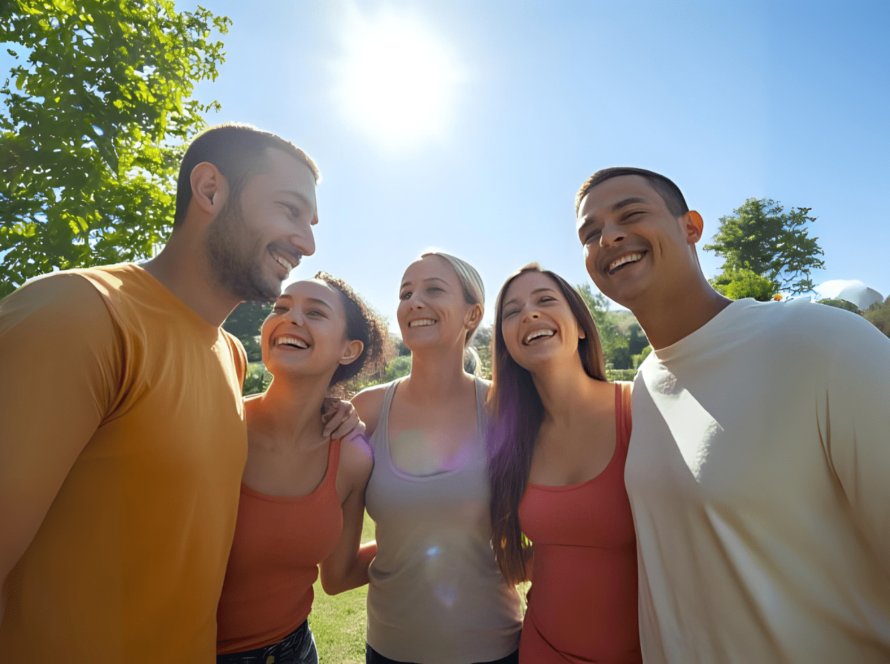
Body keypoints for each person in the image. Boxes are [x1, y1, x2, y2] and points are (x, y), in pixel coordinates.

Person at [0, 123, 329, 661]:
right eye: (290, 210)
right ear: (209, 190)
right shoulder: (79, 314)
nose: (308, 243)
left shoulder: (231, 354)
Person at [575, 167, 890, 662]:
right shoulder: (644, 384)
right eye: (589, 234)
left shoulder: (824, 343)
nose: (608, 236)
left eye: (631, 214)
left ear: (691, 227)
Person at [352, 252, 522, 664]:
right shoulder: (367, 411)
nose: (414, 301)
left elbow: (547, 542)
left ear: (472, 314)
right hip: (389, 652)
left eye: (433, 289)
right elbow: (336, 574)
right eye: (405, 292)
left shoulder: (506, 409)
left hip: (494, 651)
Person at [216, 273, 389, 664]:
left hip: (297, 652)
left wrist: (434, 537)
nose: (291, 318)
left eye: (315, 312)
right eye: (281, 307)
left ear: (349, 350)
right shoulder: (215, 424)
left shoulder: (352, 456)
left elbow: (339, 576)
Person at [487, 263, 642, 664]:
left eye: (545, 300)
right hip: (541, 650)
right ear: (506, 343)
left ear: (582, 325)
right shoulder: (510, 438)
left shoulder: (641, 408)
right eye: (512, 311)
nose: (529, 314)